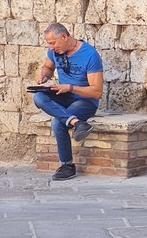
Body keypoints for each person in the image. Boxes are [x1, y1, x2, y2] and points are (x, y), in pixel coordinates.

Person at [33, 23, 104, 181]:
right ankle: (77, 123)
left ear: (64, 37)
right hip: (64, 94)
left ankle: (67, 166)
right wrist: (44, 75)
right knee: (38, 97)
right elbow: (48, 67)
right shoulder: (54, 51)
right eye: (49, 44)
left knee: (58, 123)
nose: (51, 48)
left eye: (53, 43)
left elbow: (97, 92)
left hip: (85, 100)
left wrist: (71, 88)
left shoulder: (90, 55)